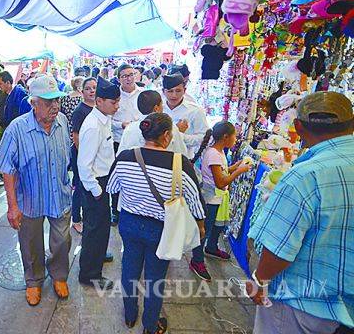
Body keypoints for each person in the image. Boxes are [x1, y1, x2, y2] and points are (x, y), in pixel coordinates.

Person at [247, 91, 354, 334]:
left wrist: (259, 280)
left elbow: (280, 247)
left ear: (297, 127)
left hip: (303, 305)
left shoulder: (305, 176)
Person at [108, 113, 206, 334]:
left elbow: (112, 188)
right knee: (155, 276)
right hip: (161, 229)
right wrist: (200, 225)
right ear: (165, 136)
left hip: (130, 224)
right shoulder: (180, 164)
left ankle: (130, 315)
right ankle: (150, 325)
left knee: (129, 269)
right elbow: (196, 202)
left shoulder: (124, 156)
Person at [0, 75, 72, 307]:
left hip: (60, 195)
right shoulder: (17, 129)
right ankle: (34, 280)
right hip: (30, 199)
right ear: (33, 103)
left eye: (56, 99)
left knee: (62, 240)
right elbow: (7, 168)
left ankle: (59, 276)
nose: (55, 106)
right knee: (30, 242)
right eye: (48, 102)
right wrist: (12, 206)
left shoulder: (63, 121)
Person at [189, 121, 251, 278]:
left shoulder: (219, 152)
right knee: (205, 230)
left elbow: (222, 172)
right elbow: (221, 181)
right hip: (210, 199)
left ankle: (211, 247)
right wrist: (240, 171)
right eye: (234, 136)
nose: (236, 140)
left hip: (218, 197)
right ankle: (197, 260)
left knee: (216, 226)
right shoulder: (213, 154)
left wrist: (235, 166)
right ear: (225, 137)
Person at [77, 77, 120, 290]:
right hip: (95, 183)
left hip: (103, 181)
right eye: (114, 102)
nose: (117, 106)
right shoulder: (93, 126)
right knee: (95, 230)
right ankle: (89, 274)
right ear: (100, 101)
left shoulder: (105, 118)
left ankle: (98, 256)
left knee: (102, 228)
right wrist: (96, 191)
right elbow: (84, 165)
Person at [111, 64, 144, 225]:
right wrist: (121, 125)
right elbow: (108, 119)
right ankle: (116, 211)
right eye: (124, 76)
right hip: (119, 141)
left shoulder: (143, 94)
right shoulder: (115, 95)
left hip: (139, 142)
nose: (129, 78)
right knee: (118, 175)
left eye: (131, 74)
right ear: (119, 79)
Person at [117, 90, 188, 156]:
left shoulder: (130, 128)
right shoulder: (169, 127)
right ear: (156, 108)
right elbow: (181, 154)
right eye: (161, 105)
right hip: (163, 167)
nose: (162, 107)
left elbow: (121, 154)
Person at [70, 77, 97, 234]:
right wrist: (84, 157)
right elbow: (76, 136)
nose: (92, 91)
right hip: (81, 155)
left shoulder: (98, 107)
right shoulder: (80, 110)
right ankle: (76, 218)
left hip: (93, 155)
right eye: (88, 88)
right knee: (79, 186)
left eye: (94, 88)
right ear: (82, 91)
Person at [162, 73, 210, 159]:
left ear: (184, 90)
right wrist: (177, 131)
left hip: (183, 159)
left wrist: (180, 136)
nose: (174, 95)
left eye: (178, 91)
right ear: (163, 91)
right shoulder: (159, 109)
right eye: (170, 91)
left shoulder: (195, 110)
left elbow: (204, 137)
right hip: (160, 157)